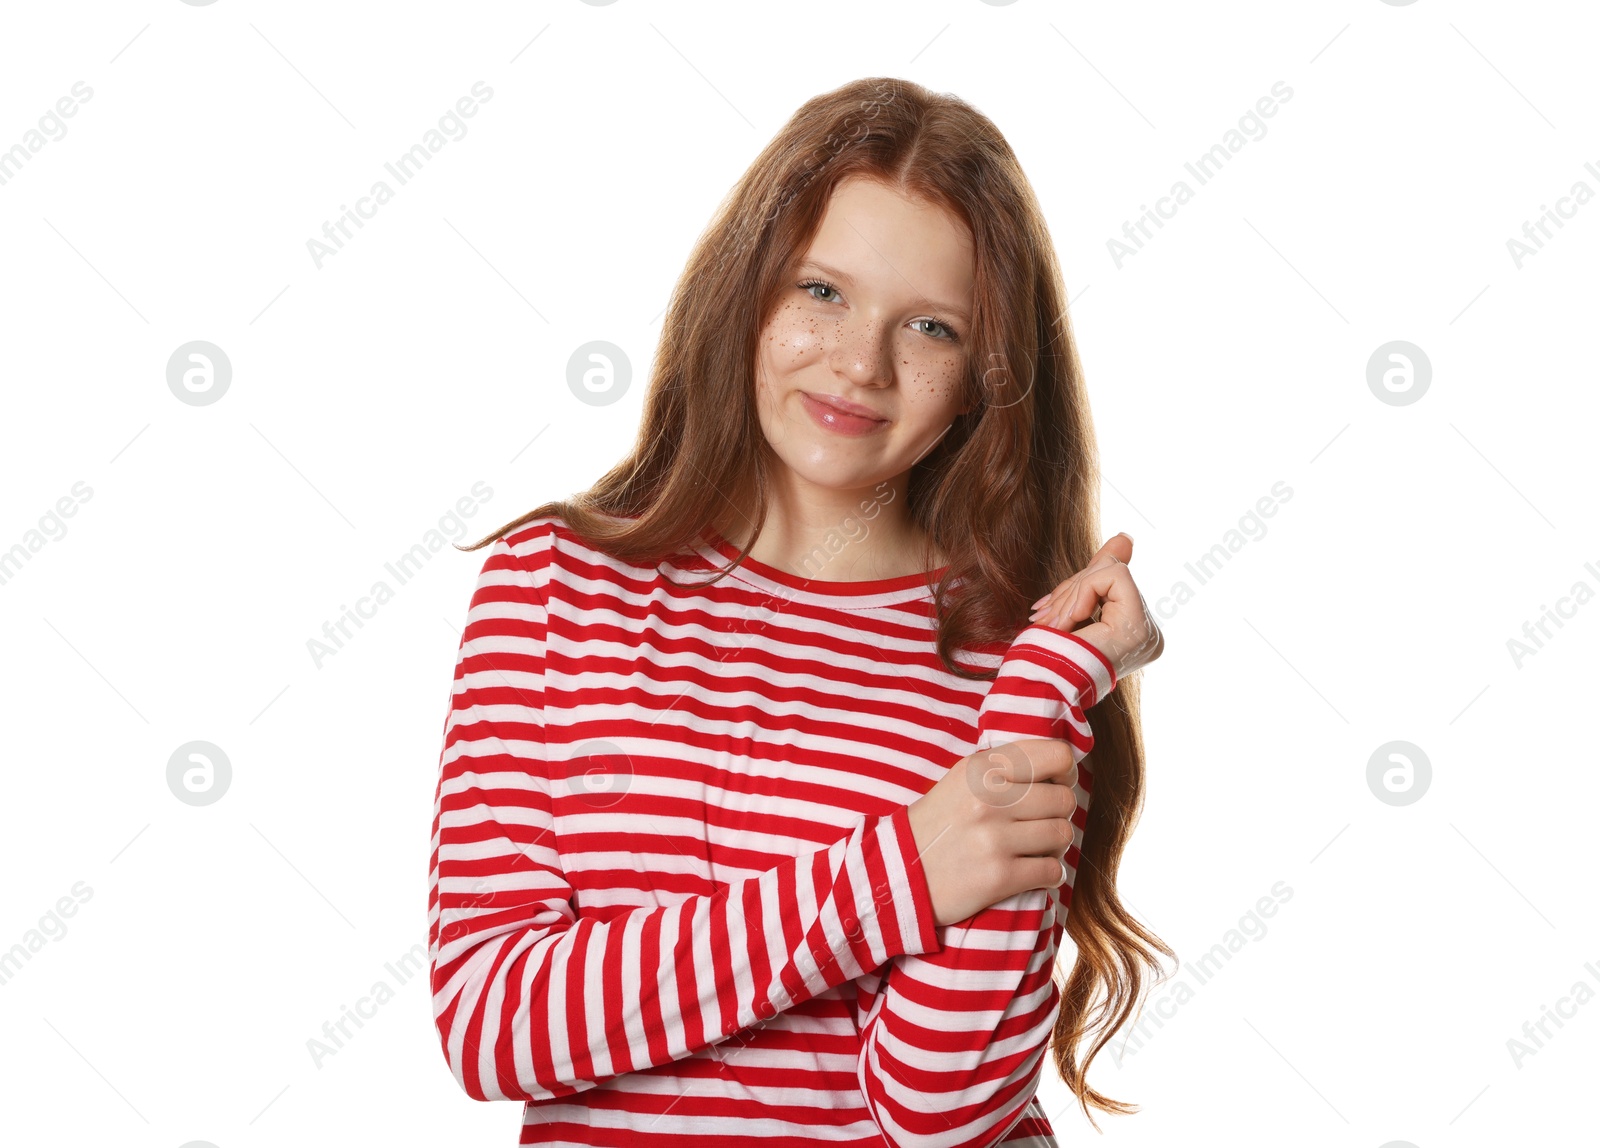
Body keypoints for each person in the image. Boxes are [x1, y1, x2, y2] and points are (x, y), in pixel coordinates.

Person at [428, 76, 1169, 1146]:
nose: (859, 365)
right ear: (749, 293)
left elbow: (938, 1109)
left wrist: (1044, 689)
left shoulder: (1018, 660)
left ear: (980, 378)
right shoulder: (553, 587)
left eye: (929, 326)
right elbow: (496, 1021)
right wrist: (904, 867)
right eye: (821, 292)